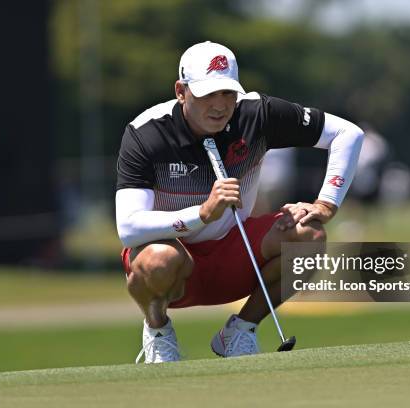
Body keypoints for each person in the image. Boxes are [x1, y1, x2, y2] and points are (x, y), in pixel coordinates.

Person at [115, 41, 364, 363]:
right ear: (181, 91)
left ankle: (240, 331)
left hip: (236, 250)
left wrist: (326, 203)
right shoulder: (147, 132)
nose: (220, 105)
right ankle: (158, 331)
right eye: (207, 94)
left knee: (309, 236)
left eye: (227, 93)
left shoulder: (256, 113)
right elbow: (128, 228)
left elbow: (348, 134)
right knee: (158, 258)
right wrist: (202, 214)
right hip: (173, 265)